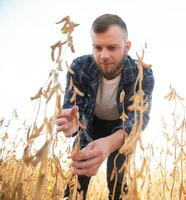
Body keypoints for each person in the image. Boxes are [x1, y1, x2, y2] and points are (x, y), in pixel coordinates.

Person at [55, 14, 154, 200]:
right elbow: (74, 111)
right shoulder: (79, 67)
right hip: (90, 125)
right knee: (76, 184)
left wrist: (109, 143)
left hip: (121, 130)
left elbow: (139, 119)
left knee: (118, 182)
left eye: (112, 47)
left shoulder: (143, 74)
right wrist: (72, 125)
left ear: (127, 47)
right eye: (97, 47)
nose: (104, 55)